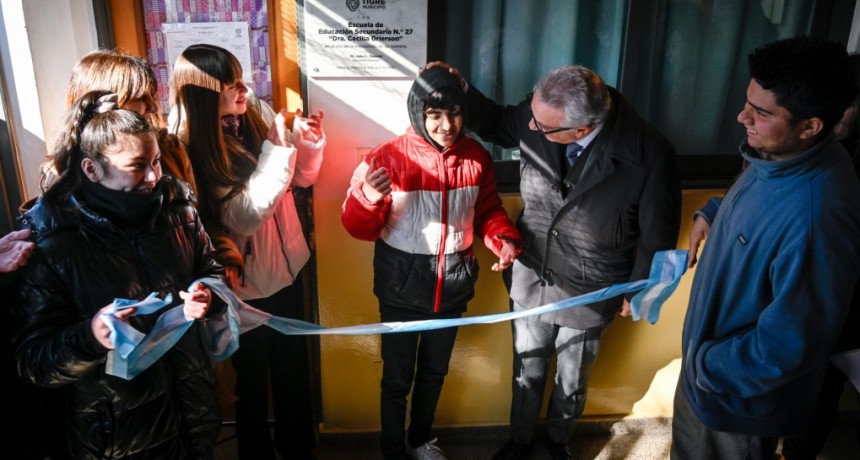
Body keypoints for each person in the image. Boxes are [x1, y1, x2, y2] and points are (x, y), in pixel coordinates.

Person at [422, 61, 681, 459]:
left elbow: (659, 233)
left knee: (573, 377)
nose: (529, 130)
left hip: (593, 287)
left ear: (581, 129)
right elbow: (493, 122)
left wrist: (641, 288)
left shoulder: (650, 152)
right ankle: (520, 443)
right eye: (533, 117)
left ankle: (558, 444)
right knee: (527, 370)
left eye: (541, 129)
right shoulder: (541, 112)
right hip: (533, 273)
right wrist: (459, 88)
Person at [672, 36, 860, 460]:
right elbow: (757, 194)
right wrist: (715, 211)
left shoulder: (819, 217)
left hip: (734, 404)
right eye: (747, 103)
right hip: (709, 377)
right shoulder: (781, 154)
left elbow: (788, 346)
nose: (742, 117)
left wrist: (705, 366)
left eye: (760, 113)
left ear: (811, 125)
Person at [11, 90, 225, 459]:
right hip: (119, 436)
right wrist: (91, 335)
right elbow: (36, 364)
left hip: (193, 411)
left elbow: (211, 272)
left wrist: (207, 295)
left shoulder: (177, 209)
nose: (154, 176)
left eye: (157, 161)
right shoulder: (51, 241)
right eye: (137, 165)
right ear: (91, 169)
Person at [341, 67, 522, 460]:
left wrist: (503, 240)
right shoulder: (385, 157)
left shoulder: (477, 157)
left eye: (455, 114)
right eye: (435, 114)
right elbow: (356, 227)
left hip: (453, 290)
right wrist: (368, 196)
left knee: (434, 374)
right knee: (396, 380)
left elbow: (488, 210)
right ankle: (392, 451)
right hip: (399, 291)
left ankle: (420, 440)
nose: (446, 125)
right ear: (417, 112)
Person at [169, 43, 325, 460]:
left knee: (293, 370)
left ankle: (298, 448)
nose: (243, 88)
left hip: (288, 267)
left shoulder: (250, 119)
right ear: (203, 92)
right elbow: (244, 218)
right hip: (245, 283)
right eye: (230, 83)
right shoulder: (193, 147)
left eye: (241, 78)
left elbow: (302, 182)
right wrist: (276, 152)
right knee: (252, 382)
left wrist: (306, 145)